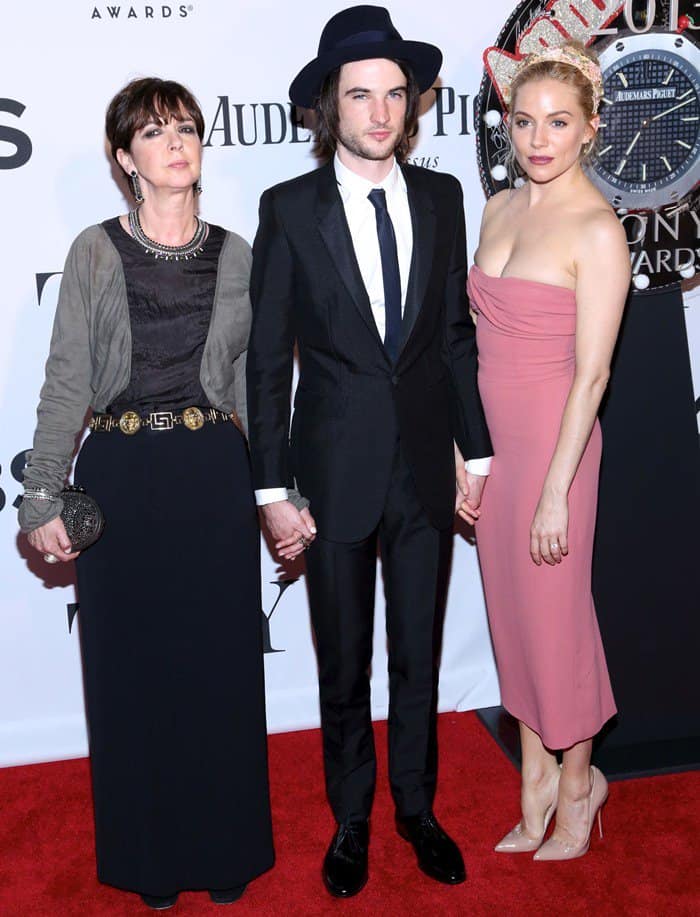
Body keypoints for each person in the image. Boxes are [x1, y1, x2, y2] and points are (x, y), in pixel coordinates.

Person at [246, 5, 492, 898]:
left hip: (428, 467)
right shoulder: (289, 209)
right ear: (328, 106)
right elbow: (269, 362)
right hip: (333, 472)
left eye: (396, 93)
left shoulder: (443, 196)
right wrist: (272, 488)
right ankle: (351, 819)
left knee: (418, 657)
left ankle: (417, 809)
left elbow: (456, 338)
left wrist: (482, 455)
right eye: (362, 95)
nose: (382, 111)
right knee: (343, 660)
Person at [19, 78, 275, 909]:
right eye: (156, 132)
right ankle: (151, 860)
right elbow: (65, 384)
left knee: (220, 669)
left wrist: (280, 488)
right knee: (133, 677)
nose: (177, 142)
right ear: (126, 158)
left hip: (211, 473)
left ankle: (226, 848)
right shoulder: (96, 250)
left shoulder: (238, 253)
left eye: (188, 127)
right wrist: (41, 498)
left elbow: (255, 387)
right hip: (122, 475)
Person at [466, 43, 629, 860]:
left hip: (558, 449)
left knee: (558, 619)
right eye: (524, 121)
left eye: (558, 123)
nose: (538, 138)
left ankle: (577, 784)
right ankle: (531, 778)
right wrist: (473, 456)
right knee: (514, 619)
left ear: (590, 129)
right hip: (498, 451)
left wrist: (557, 488)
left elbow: (595, 371)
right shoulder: (497, 209)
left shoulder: (597, 228)